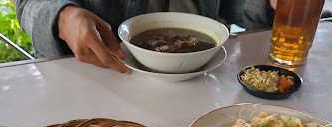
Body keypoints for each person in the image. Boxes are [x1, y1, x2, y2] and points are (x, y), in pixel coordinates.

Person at [15, 0, 275, 73]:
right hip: (107, 75)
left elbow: (232, 6)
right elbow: (29, 5)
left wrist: (268, 4)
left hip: (206, 77)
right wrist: (63, 17)